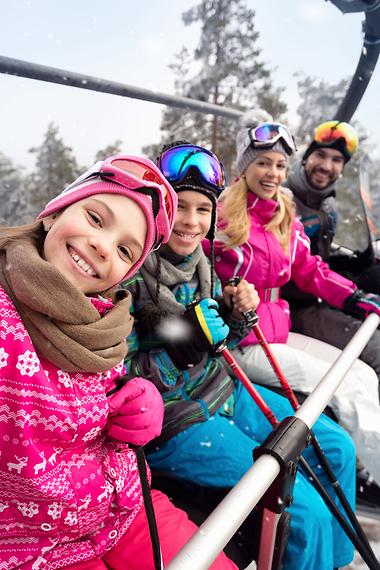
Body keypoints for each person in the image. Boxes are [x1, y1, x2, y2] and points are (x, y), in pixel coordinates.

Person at [121, 141, 357, 570]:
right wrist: (179, 352)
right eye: (180, 207)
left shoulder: (201, 262)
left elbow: (217, 344)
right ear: (157, 209)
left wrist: (234, 317)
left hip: (224, 391)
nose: (191, 222)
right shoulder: (129, 273)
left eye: (202, 210)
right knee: (304, 512)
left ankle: (334, 562)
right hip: (176, 420)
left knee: (336, 447)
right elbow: (118, 379)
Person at [0, 155, 238, 570]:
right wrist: (176, 356)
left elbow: (115, 381)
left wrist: (133, 396)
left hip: (125, 502)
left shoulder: (108, 314)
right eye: (95, 217)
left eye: (125, 249)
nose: (102, 245)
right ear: (57, 209)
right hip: (36, 545)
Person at [206, 109, 380, 502]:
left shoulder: (284, 213)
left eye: (281, 165)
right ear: (246, 165)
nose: (273, 173)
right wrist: (221, 300)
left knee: (363, 375)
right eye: (263, 162)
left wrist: (353, 297)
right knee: (348, 389)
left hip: (276, 329)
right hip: (242, 340)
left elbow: (310, 270)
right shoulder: (222, 215)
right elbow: (194, 266)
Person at [282, 120, 380, 395]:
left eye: (337, 160)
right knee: (376, 349)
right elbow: (284, 271)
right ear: (306, 156)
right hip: (295, 306)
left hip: (323, 295)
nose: (327, 166)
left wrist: (355, 262)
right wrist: (354, 281)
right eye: (321, 155)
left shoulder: (327, 204)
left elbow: (319, 254)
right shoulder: (284, 202)